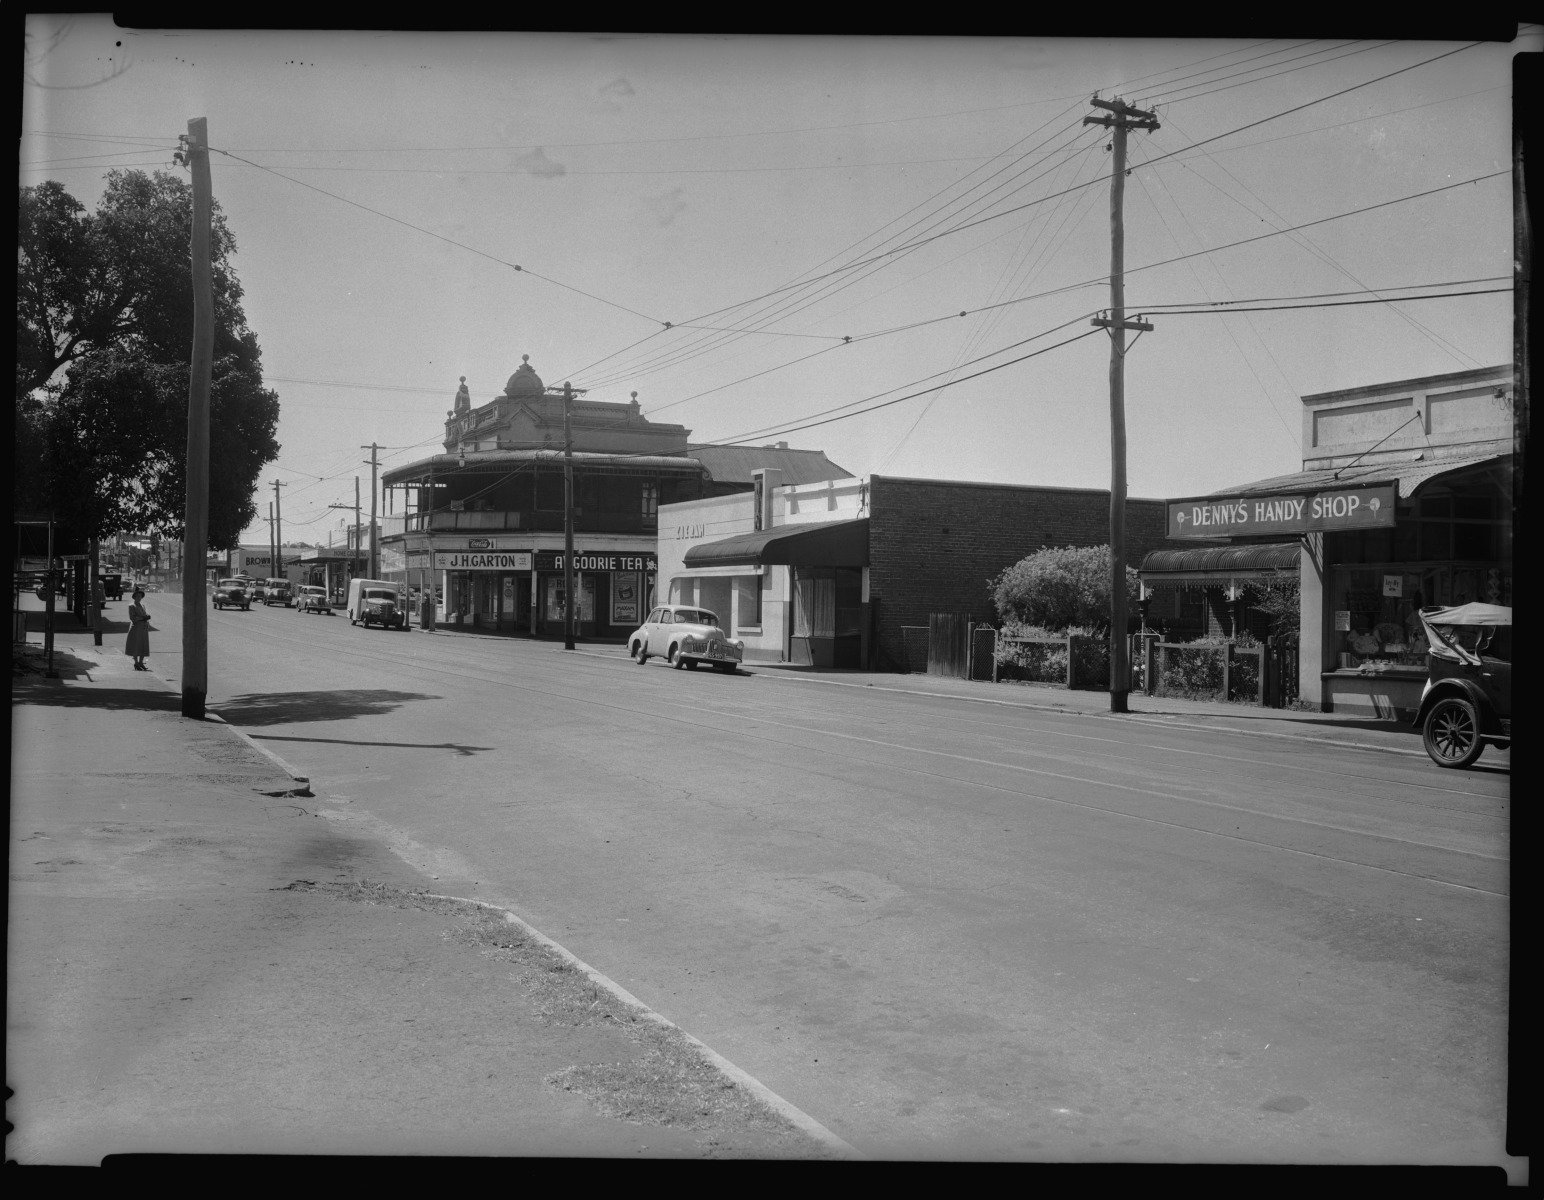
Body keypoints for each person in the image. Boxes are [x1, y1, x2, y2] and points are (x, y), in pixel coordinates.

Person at [125, 587, 151, 670]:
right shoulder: (131, 606)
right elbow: (132, 618)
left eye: (140, 596)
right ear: (134, 597)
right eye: (137, 596)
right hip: (136, 628)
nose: (139, 598)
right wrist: (143, 618)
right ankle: (136, 663)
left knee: (143, 645)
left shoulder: (142, 605)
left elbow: (144, 614)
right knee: (136, 645)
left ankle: (141, 662)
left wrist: (146, 617)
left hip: (143, 628)